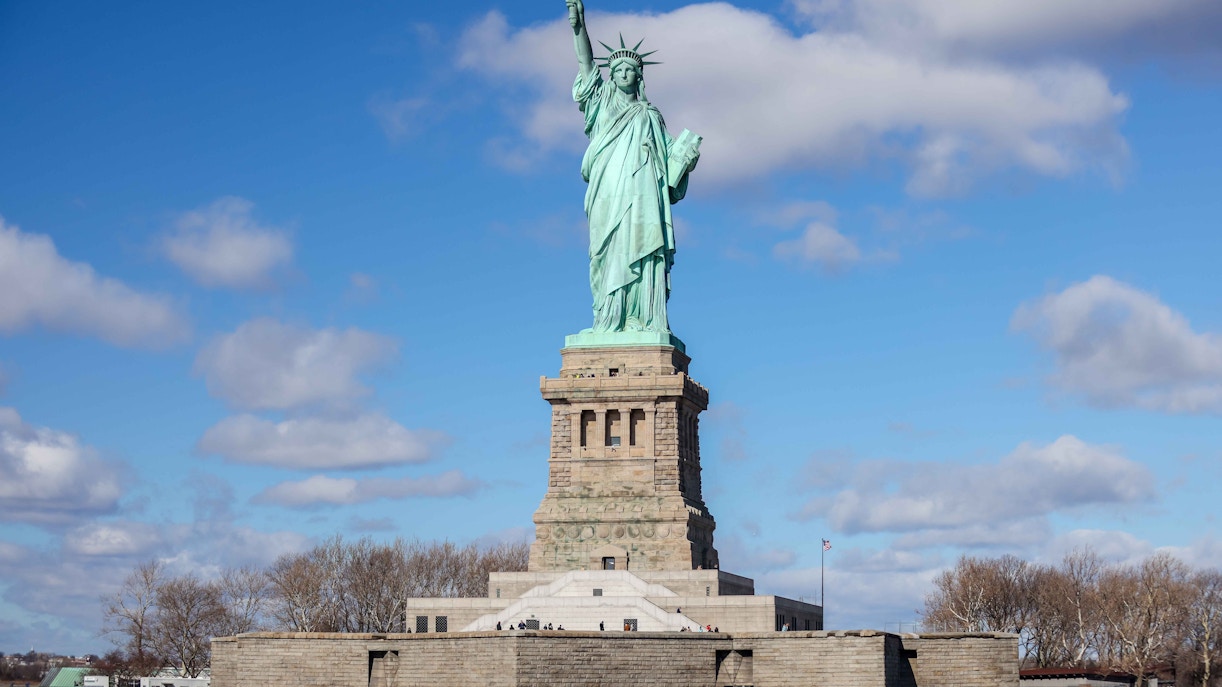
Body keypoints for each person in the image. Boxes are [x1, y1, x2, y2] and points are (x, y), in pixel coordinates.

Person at [564, 0, 700, 335]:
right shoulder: (602, 101)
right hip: (608, 189)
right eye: (617, 70)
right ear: (611, 76)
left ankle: (643, 317)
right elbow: (585, 63)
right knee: (607, 251)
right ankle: (608, 320)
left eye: (630, 70)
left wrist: (687, 157)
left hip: (643, 196)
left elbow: (670, 162)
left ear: (638, 77)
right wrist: (579, 26)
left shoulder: (650, 115)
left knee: (642, 247)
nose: (623, 74)